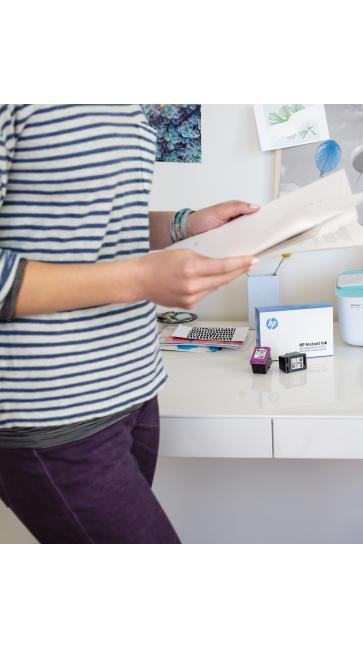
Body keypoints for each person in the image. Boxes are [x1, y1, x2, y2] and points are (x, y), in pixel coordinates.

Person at [0, 104, 260, 543]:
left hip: (133, 386)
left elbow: (88, 223)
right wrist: (141, 278)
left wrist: (185, 225)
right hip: (51, 406)